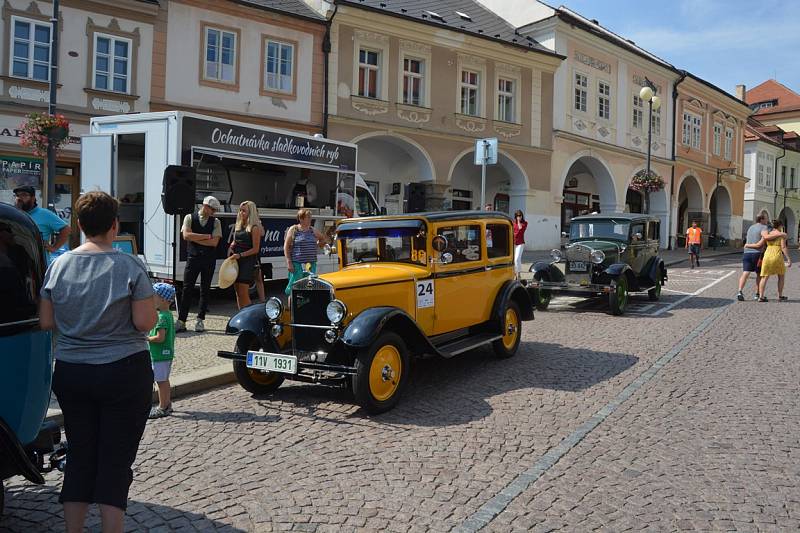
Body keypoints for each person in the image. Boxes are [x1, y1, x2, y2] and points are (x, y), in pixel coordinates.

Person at [39, 191, 157, 533]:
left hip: (73, 371)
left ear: (79, 225)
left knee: (79, 455)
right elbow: (144, 323)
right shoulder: (128, 265)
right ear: (115, 225)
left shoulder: (58, 265)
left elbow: (47, 322)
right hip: (123, 370)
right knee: (115, 460)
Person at [177, 196, 221, 333]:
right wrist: (206, 236)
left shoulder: (216, 222)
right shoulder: (189, 217)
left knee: (205, 289)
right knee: (187, 288)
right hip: (193, 258)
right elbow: (185, 236)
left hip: (208, 259)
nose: (214, 212)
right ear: (205, 206)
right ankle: (181, 320)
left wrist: (195, 238)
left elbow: (214, 243)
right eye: (212, 209)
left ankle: (200, 319)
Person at [13, 185, 71, 263]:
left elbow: (66, 229)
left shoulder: (44, 214)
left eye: (24, 195)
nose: (19, 198)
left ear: (33, 198)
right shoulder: (14, 214)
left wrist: (54, 247)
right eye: (17, 195)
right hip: (15, 263)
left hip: (38, 266)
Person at [147, 283, 176, 419]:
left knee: (161, 381)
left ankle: (163, 407)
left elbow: (160, 338)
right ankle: (167, 404)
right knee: (163, 379)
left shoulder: (162, 317)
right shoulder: (167, 314)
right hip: (164, 355)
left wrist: (147, 338)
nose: (152, 298)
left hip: (160, 355)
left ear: (163, 300)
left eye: (154, 296)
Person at [284, 208, 329, 296]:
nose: (310, 219)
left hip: (311, 263)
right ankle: (291, 305)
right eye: (308, 217)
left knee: (309, 286)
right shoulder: (294, 229)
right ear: (301, 218)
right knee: (295, 286)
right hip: (297, 263)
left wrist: (318, 244)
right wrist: (289, 262)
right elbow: (286, 246)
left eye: (310, 217)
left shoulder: (312, 230)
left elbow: (323, 239)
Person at [229, 201, 263, 309]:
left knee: (243, 292)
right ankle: (241, 314)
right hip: (236, 261)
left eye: (244, 211)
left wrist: (240, 255)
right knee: (238, 292)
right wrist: (231, 247)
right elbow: (235, 241)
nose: (241, 213)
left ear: (250, 212)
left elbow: (255, 249)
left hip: (247, 262)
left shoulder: (254, 227)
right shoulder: (239, 226)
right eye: (240, 210)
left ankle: (248, 316)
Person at [746, 219, 791, 302]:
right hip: (777, 255)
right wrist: (788, 259)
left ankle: (761, 296)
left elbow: (759, 244)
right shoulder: (782, 235)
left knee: (764, 277)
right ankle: (780, 296)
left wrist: (747, 245)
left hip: (767, 255)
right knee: (781, 276)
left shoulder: (768, 234)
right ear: (780, 226)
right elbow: (783, 247)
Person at [737, 213, 768, 301]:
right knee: (759, 274)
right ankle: (757, 294)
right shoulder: (764, 228)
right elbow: (761, 243)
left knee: (745, 273)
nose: (767, 220)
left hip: (747, 253)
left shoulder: (751, 227)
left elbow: (747, 240)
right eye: (765, 219)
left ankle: (739, 291)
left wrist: (747, 245)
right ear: (761, 219)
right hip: (757, 254)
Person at [513, 210, 527, 274]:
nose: (519, 217)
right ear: (515, 216)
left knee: (517, 259)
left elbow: (521, 228)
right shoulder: (513, 223)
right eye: (517, 216)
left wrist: (518, 221)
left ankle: (518, 273)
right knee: (514, 260)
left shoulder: (524, 223)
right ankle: (516, 273)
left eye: (520, 215)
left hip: (520, 243)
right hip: (513, 243)